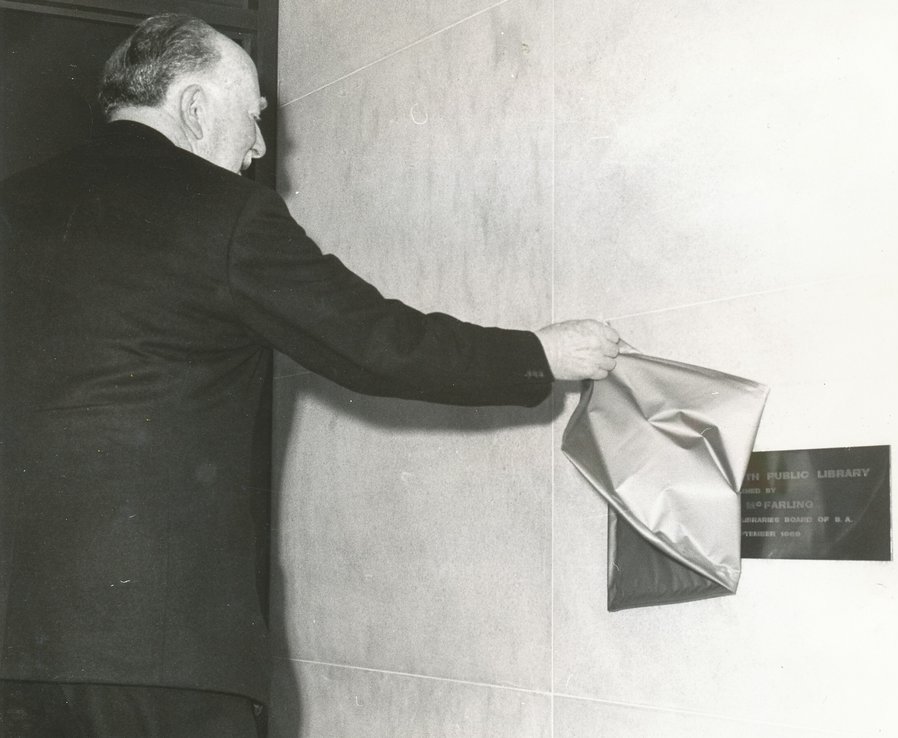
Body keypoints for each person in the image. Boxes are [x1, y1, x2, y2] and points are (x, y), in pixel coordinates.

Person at [0, 13, 619, 737]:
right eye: (254, 119)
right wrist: (538, 352)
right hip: (161, 660)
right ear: (196, 109)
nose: (262, 148)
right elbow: (378, 343)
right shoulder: (224, 216)